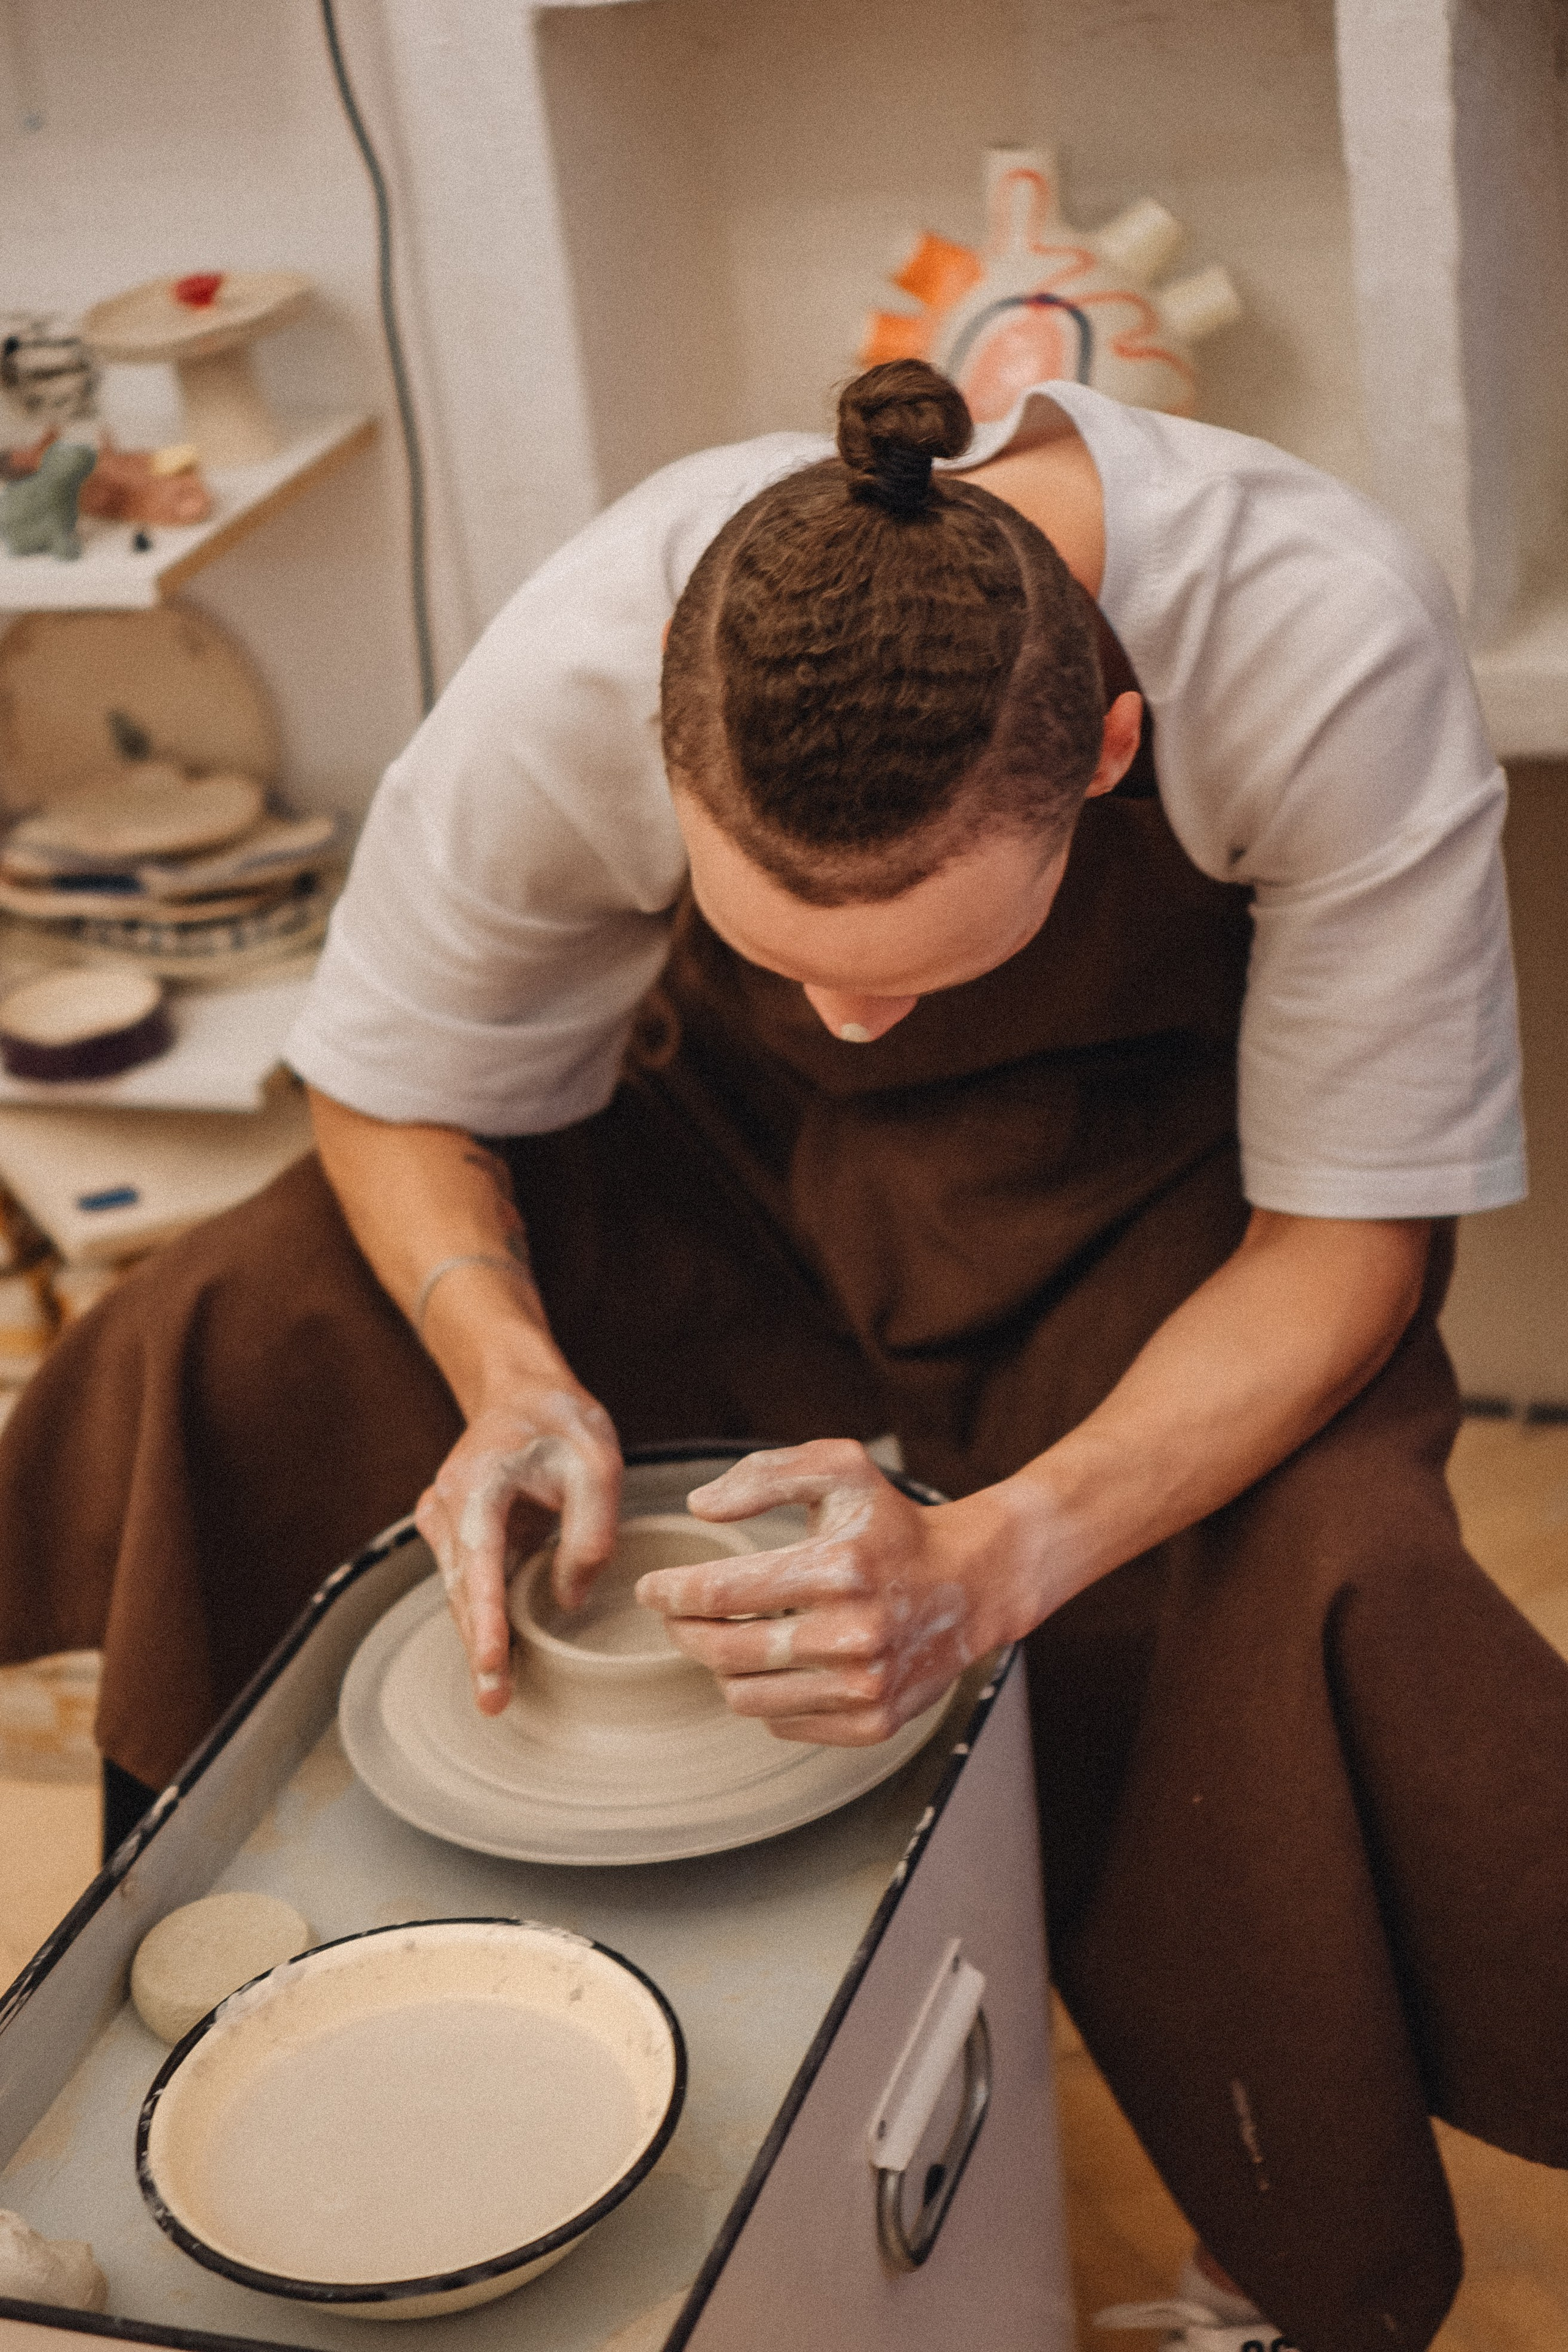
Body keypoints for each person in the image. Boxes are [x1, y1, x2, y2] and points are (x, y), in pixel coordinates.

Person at [2, 360, 1564, 2351]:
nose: (850, 1011)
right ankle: (264, 2011)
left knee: (1321, 1558)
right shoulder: (594, 644)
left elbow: (1352, 1241)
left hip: (1132, 1196)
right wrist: (509, 1373)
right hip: (721, 1159)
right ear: (666, 754)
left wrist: (1003, 1554)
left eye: (909, 959)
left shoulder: (1316, 636)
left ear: (1106, 753)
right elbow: (390, 1085)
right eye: (792, 942)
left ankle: (1278, 2245)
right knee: (248, 1320)